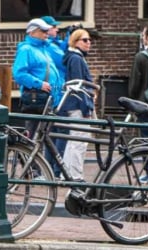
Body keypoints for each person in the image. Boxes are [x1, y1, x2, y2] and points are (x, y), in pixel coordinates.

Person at [12, 17, 63, 133]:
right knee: (33, 136)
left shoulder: (43, 49)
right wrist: (39, 84)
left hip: (50, 99)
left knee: (46, 136)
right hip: (38, 99)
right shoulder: (26, 49)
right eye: (43, 31)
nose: (47, 34)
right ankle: (27, 151)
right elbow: (19, 74)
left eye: (47, 31)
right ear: (32, 32)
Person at [59, 27, 96, 181]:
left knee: (74, 140)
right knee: (79, 141)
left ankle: (66, 173)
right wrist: (86, 108)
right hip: (78, 107)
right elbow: (78, 86)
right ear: (75, 42)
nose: (89, 43)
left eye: (89, 40)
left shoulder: (75, 58)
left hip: (74, 105)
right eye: (85, 40)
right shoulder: (76, 59)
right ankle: (74, 175)